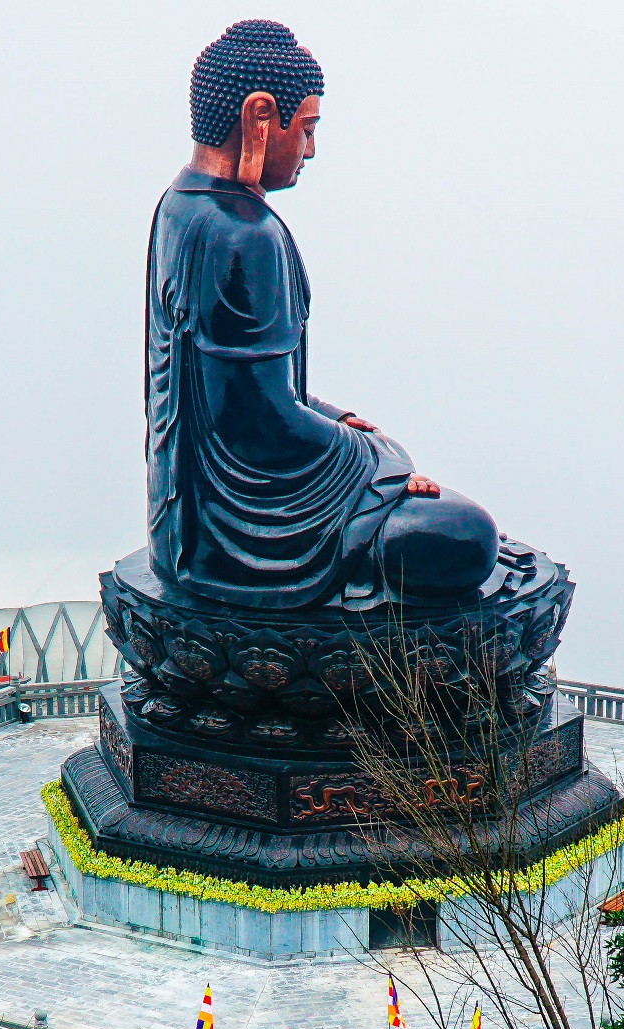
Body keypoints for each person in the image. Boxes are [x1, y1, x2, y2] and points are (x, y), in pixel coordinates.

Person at [144, 19, 502, 610]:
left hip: (182, 526)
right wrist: (380, 464)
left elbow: (249, 393)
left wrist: (344, 422)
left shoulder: (179, 207)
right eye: (306, 128)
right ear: (261, 119)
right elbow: (258, 424)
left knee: (428, 508)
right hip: (245, 540)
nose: (310, 150)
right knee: (465, 537)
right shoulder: (240, 234)